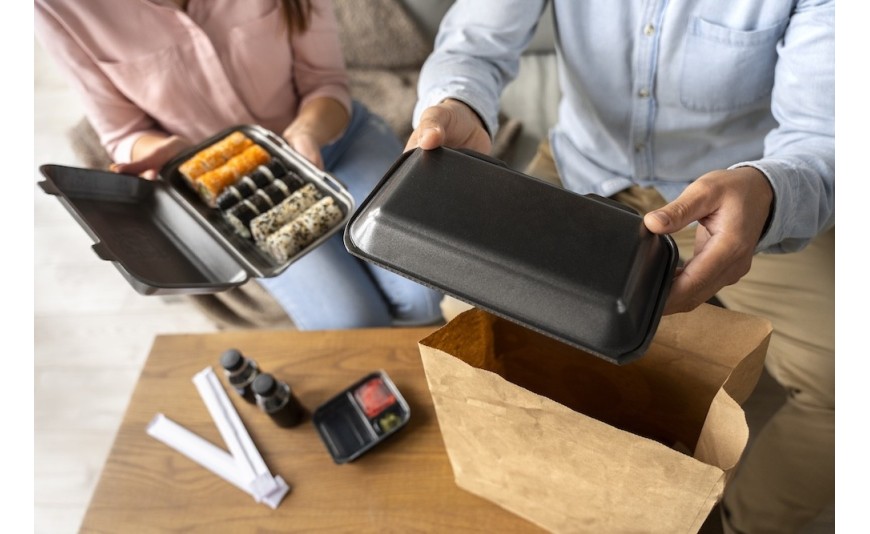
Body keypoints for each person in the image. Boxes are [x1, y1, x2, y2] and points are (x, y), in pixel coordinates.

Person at [406, 1, 834, 533]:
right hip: (580, 173)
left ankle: (740, 523)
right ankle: (526, 481)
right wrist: (458, 103)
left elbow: (827, 133)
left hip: (740, 196)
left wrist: (769, 193)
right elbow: (473, 42)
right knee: (467, 330)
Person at [34, 0, 443, 330]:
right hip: (231, 194)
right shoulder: (57, 7)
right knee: (349, 322)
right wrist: (169, 152)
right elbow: (122, 133)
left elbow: (325, 82)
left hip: (335, 138)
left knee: (426, 291)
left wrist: (305, 135)